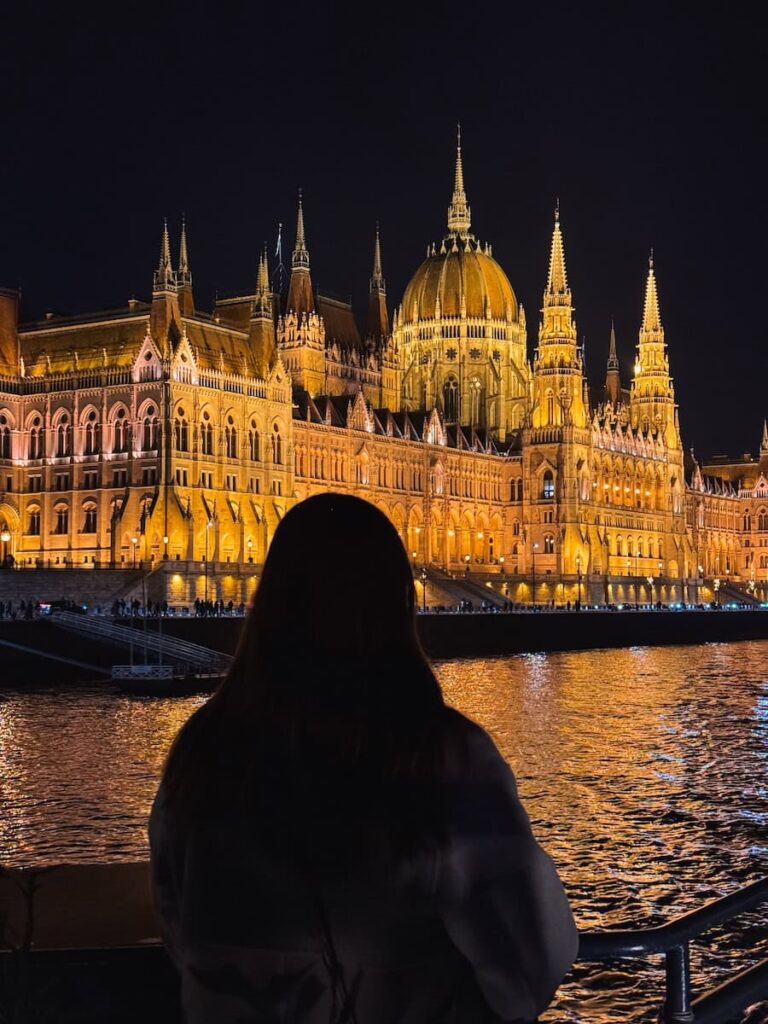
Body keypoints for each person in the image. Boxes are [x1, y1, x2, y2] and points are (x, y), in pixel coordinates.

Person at [150, 494, 577, 1024]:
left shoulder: (201, 748)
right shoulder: (444, 758)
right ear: (400, 603)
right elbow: (533, 957)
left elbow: (174, 920)